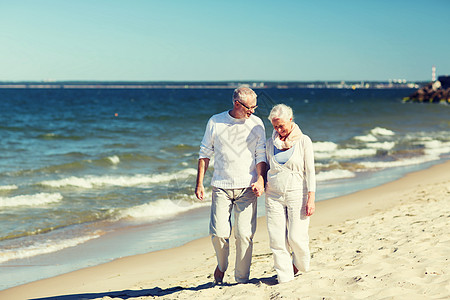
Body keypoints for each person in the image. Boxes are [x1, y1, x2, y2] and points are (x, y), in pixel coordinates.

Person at [195, 87, 267, 284]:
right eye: (249, 107)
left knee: (244, 236)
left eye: (255, 106)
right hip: (221, 186)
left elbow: (261, 155)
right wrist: (199, 183)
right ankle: (222, 266)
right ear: (237, 104)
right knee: (218, 234)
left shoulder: (257, 124)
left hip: (248, 187)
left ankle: (241, 280)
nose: (252, 111)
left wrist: (261, 180)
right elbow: (204, 153)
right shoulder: (215, 122)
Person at [265, 104, 316, 284]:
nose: (279, 130)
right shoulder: (270, 143)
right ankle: (285, 278)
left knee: (296, 237)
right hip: (273, 195)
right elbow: (265, 168)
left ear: (290, 120)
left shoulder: (304, 141)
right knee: (277, 239)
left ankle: (300, 264)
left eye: (281, 126)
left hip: (298, 194)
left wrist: (311, 198)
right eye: (275, 126)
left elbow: (310, 171)